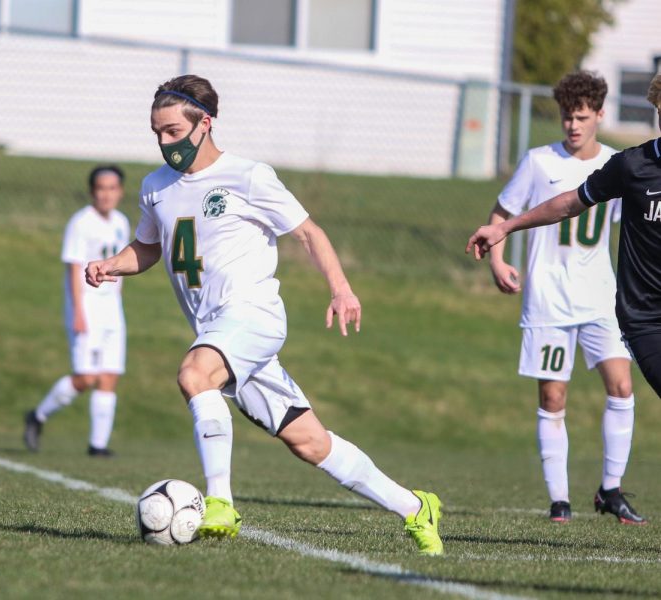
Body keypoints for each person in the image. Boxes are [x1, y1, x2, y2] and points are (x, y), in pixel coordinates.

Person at [85, 75, 444, 555]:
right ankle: (416, 508)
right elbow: (149, 248)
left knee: (195, 374)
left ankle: (221, 503)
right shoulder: (155, 187)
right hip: (217, 331)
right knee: (311, 443)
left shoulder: (248, 176)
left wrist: (341, 289)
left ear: (204, 123)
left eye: (172, 131)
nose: (163, 143)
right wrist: (112, 264)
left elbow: (310, 234)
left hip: (253, 317)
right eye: (156, 133)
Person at [469, 73, 661, 525]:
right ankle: (560, 499)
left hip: (599, 295)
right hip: (554, 299)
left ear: (599, 115)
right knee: (554, 396)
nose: (573, 125)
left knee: (621, 387)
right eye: (566, 117)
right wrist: (500, 247)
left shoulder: (616, 158)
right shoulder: (549, 162)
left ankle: (610, 490)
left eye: (581, 116)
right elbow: (557, 205)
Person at [24, 166, 130, 456]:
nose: (106, 194)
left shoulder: (121, 222)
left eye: (112, 188)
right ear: (92, 191)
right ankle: (38, 416)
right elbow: (73, 269)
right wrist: (78, 312)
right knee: (85, 378)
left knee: (109, 376)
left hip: (112, 310)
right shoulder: (81, 222)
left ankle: (98, 445)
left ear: (120, 192)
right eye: (101, 188)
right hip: (87, 307)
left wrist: (117, 301)